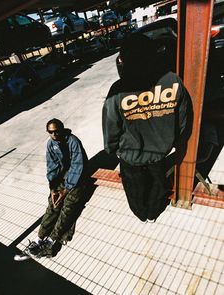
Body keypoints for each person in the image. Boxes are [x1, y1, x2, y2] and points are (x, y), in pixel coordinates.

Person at [102, 34, 192, 223]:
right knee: (158, 186)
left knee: (135, 190)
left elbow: (111, 126)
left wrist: (112, 149)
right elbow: (183, 119)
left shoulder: (118, 89)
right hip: (160, 153)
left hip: (130, 157)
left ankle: (141, 215)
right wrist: (175, 142)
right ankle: (153, 213)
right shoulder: (173, 81)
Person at [14, 118, 88, 261]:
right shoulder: (51, 144)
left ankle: (51, 241)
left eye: (56, 131)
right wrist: (53, 188)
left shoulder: (73, 141)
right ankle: (39, 238)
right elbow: (52, 166)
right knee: (53, 205)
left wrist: (66, 190)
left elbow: (78, 165)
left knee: (68, 207)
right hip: (62, 177)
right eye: (50, 132)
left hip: (78, 177)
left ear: (62, 129)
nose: (54, 135)